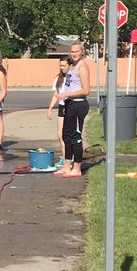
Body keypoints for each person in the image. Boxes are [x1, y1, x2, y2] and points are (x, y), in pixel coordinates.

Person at [56, 41, 92, 177]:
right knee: (66, 135)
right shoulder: (72, 66)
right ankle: (67, 166)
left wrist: (67, 94)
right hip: (69, 104)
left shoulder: (82, 67)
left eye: (77, 51)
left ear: (82, 52)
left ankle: (77, 168)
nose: (74, 54)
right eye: (72, 51)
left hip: (79, 105)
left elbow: (86, 90)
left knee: (75, 136)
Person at [45, 57, 72, 151]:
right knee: (60, 134)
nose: (62, 67)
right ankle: (64, 157)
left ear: (70, 65)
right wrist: (50, 108)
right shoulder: (58, 78)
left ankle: (70, 157)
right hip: (62, 106)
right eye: (60, 65)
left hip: (71, 106)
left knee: (68, 134)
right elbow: (56, 94)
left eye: (64, 65)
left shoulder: (73, 77)